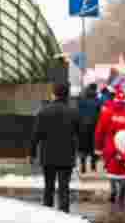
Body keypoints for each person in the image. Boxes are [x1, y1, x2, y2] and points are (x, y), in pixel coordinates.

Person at [31, 83, 80, 213]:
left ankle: (48, 213)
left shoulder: (43, 111)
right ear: (67, 95)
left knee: (48, 186)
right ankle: (64, 213)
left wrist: (31, 153)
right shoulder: (73, 113)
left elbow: (36, 135)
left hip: (48, 155)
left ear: (54, 94)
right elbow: (79, 133)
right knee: (64, 187)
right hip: (66, 156)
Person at [95, 90, 125, 206]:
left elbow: (99, 131)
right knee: (123, 170)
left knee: (111, 169)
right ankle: (121, 190)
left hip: (110, 147)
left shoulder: (107, 113)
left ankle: (113, 189)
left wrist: (98, 147)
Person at [78, 83, 102, 174]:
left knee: (83, 147)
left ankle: (83, 165)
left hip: (83, 127)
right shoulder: (98, 101)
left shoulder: (82, 100)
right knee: (93, 146)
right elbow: (100, 114)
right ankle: (93, 165)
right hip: (95, 127)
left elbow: (78, 113)